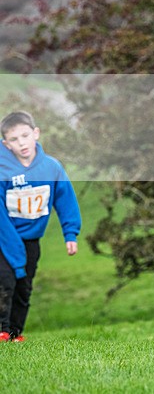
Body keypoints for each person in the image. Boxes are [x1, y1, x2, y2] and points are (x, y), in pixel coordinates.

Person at [0, 111, 82, 342]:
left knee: (24, 287)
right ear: (6, 144)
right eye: (14, 140)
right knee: (4, 282)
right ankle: (2, 331)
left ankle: (15, 333)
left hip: (31, 240)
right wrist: (10, 242)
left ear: (36, 133)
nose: (21, 143)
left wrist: (70, 233)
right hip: (4, 237)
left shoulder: (51, 168)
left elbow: (66, 201)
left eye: (25, 135)